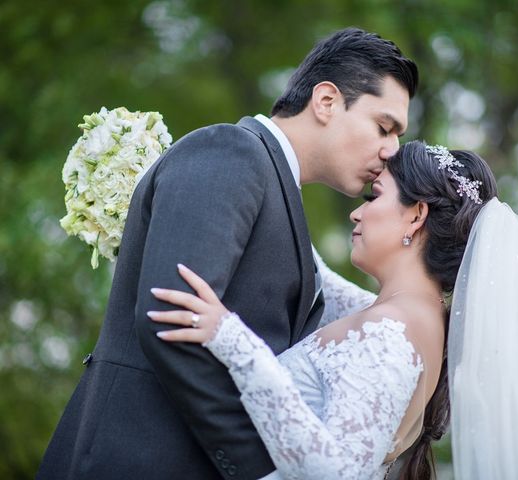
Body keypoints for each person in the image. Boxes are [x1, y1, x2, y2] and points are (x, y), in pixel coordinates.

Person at [37, 28, 418, 480]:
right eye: (383, 127)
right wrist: (257, 469)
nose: (391, 150)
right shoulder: (231, 152)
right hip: (134, 458)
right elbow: (168, 318)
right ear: (327, 101)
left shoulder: (278, 190)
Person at [149, 141, 518, 480]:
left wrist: (234, 343)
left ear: (416, 214)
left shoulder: (390, 332)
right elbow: (310, 268)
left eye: (374, 196)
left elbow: (336, 473)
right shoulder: (404, 317)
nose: (357, 212)